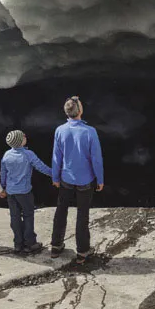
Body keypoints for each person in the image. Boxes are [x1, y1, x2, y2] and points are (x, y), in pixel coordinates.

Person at [50, 96, 104, 263]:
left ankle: (56, 246)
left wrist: (55, 176)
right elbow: (96, 159)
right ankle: (82, 252)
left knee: (61, 211)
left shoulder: (60, 130)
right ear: (80, 111)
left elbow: (56, 157)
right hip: (85, 180)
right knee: (82, 215)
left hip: (66, 177)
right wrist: (100, 179)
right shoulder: (90, 131)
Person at [0, 129, 53, 254]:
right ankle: (30, 243)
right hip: (24, 192)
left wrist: (3, 186)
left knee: (15, 217)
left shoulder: (6, 155)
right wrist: (55, 174)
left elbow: (3, 172)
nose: (25, 136)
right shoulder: (28, 154)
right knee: (28, 215)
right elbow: (41, 167)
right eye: (23, 136)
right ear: (20, 141)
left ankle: (18, 244)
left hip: (11, 192)